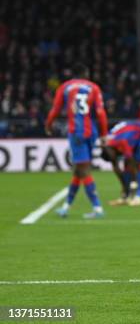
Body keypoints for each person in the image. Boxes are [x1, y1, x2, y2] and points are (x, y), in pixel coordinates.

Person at [45, 62, 108, 219]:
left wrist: (48, 125)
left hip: (76, 131)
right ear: (86, 73)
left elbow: (55, 109)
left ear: (72, 74)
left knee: (84, 169)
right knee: (78, 170)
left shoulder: (65, 87)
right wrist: (104, 134)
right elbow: (100, 112)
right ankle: (66, 207)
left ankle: (97, 208)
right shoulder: (94, 87)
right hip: (91, 132)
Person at [100, 120, 140, 207]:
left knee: (139, 162)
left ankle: (137, 197)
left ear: (112, 151)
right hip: (132, 134)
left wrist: (133, 184)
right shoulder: (108, 147)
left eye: (114, 158)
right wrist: (124, 187)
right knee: (127, 165)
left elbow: (131, 163)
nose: (116, 159)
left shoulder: (122, 141)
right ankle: (125, 197)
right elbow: (116, 168)